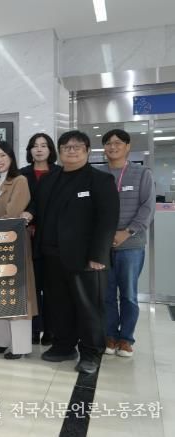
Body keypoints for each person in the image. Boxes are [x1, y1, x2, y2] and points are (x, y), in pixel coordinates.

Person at [22, 130, 119, 374]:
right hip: (51, 255)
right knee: (59, 305)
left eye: (77, 147)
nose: (71, 151)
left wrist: (99, 255)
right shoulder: (50, 178)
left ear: (87, 151)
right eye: (66, 147)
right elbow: (37, 205)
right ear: (60, 152)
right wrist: (29, 213)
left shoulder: (100, 180)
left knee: (89, 307)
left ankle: (91, 353)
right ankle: (64, 346)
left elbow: (108, 220)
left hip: (86, 258)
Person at [99, 129, 155, 358]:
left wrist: (127, 232)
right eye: (108, 143)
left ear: (127, 146)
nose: (112, 147)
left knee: (129, 295)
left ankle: (126, 339)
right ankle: (110, 335)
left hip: (131, 244)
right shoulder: (98, 174)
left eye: (118, 143)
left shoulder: (142, 173)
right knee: (107, 294)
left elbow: (147, 207)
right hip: (103, 244)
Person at [0, 141, 36, 360]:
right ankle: (3, 342)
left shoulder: (19, 180)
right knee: (0, 294)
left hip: (13, 244)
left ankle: (20, 347)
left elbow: (13, 213)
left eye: (3, 155)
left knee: (18, 294)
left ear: (11, 157)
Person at [20, 133, 60, 346]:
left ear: (50, 149)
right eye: (35, 146)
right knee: (32, 287)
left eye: (44, 145)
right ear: (30, 150)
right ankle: (35, 329)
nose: (39, 149)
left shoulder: (59, 173)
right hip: (28, 237)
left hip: (53, 238)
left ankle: (51, 330)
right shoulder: (22, 174)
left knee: (52, 287)